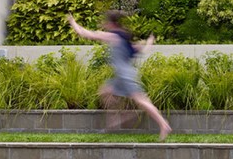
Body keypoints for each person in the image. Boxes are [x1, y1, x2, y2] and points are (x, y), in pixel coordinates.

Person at [67, 11, 172, 140]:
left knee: (142, 101)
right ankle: (117, 118)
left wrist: (72, 22)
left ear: (111, 24)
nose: (104, 25)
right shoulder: (124, 39)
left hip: (126, 76)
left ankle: (163, 124)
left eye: (106, 23)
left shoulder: (113, 36)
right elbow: (143, 49)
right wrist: (149, 42)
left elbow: (85, 33)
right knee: (105, 92)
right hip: (121, 76)